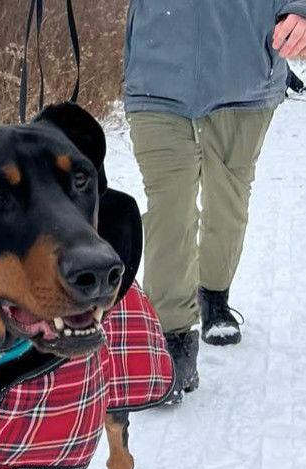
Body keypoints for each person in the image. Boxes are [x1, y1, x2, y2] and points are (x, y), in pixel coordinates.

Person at [123, 2, 306, 402]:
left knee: (230, 199)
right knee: (170, 207)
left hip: (243, 72)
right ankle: (172, 342)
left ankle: (214, 294)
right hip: (157, 73)